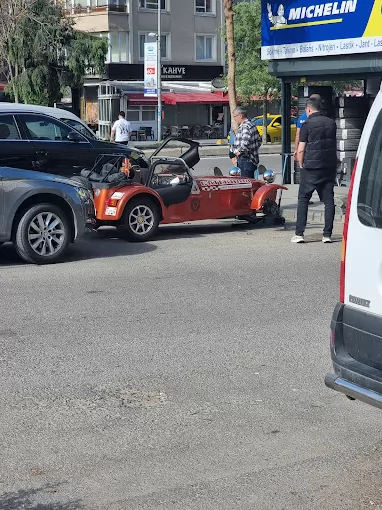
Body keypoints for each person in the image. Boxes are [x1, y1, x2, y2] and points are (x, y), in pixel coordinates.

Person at [292, 97, 337, 244]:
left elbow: (301, 149)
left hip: (310, 168)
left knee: (303, 199)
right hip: (328, 167)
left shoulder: (307, 124)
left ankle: (299, 234)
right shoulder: (331, 123)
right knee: (329, 202)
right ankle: (327, 235)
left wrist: (301, 165)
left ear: (309, 109)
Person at [294, 93, 323, 204]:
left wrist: (296, 149)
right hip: (318, 153)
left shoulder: (302, 118)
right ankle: (323, 197)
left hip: (306, 152)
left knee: (306, 176)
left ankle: (305, 197)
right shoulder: (324, 118)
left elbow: (298, 134)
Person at [232, 107, 262, 179]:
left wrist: (236, 151)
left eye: (235, 116)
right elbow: (259, 141)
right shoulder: (252, 125)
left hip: (246, 160)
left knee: (245, 184)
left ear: (240, 115)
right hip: (252, 160)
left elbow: (244, 144)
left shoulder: (245, 126)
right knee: (251, 183)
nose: (234, 119)